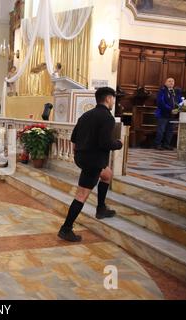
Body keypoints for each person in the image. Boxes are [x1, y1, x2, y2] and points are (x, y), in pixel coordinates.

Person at [58, 87, 123, 242]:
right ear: (108, 99)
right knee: (81, 195)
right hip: (93, 161)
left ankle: (101, 208)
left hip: (82, 157)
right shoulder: (107, 117)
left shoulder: (86, 115)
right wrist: (119, 144)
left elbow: (73, 139)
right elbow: (104, 143)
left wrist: (80, 156)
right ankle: (66, 228)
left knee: (107, 174)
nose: (114, 101)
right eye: (113, 98)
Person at [154, 78, 182, 151]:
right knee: (161, 130)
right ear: (165, 83)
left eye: (173, 81)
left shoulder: (176, 92)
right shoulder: (162, 91)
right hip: (163, 114)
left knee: (170, 130)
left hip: (172, 115)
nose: (171, 82)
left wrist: (178, 108)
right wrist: (170, 109)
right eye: (169, 81)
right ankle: (158, 144)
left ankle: (166, 144)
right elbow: (161, 102)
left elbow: (179, 101)